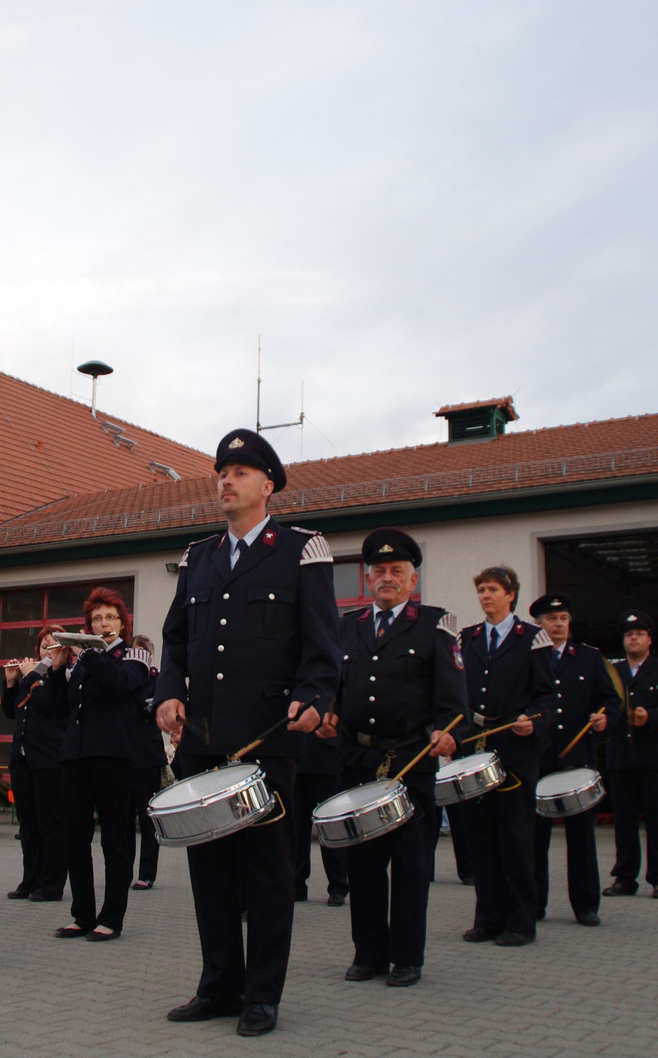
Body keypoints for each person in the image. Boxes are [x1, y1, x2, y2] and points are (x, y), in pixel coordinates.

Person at [154, 429, 341, 1038]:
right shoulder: (199, 556)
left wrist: (313, 698)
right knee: (209, 872)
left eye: (238, 472)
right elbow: (177, 637)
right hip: (204, 738)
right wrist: (169, 691)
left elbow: (322, 642)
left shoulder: (301, 550)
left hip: (267, 739)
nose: (225, 481)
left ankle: (262, 995)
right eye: (221, 472)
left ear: (267, 485)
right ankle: (218, 987)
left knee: (266, 874)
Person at [319, 528, 465, 988]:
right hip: (358, 762)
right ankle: (369, 955)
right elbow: (333, 689)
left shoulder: (436, 624)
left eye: (396, 571)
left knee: (410, 865)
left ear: (412, 577)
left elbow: (454, 699)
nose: (387, 578)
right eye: (379, 571)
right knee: (362, 864)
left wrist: (448, 732)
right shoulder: (348, 627)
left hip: (410, 762)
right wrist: (327, 711)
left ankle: (407, 958)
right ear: (368, 575)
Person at [456, 566, 554, 948]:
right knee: (480, 837)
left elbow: (547, 696)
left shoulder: (532, 638)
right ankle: (488, 918)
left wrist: (535, 721)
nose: (485, 596)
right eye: (481, 589)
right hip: (475, 747)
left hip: (515, 749)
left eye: (493, 589)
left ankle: (520, 922)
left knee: (514, 839)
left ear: (511, 594)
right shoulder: (467, 638)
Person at [54, 588, 150, 942]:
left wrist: (89, 654)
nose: (103, 623)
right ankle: (82, 914)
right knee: (75, 837)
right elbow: (61, 707)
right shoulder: (79, 663)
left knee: (115, 838)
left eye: (110, 617)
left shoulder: (133, 656)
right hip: (76, 756)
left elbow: (120, 683)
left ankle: (112, 917)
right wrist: (55, 667)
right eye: (97, 618)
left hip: (113, 756)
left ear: (122, 624)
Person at [529, 592, 619, 927]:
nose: (559, 624)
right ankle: (535, 903)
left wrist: (605, 717)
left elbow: (611, 700)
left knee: (581, 837)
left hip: (577, 760)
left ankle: (585, 906)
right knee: (535, 839)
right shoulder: (530, 656)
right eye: (552, 619)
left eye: (564, 618)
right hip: (538, 756)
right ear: (540, 624)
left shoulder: (589, 658)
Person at [603, 610, 658, 900]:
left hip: (655, 760)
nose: (633, 638)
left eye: (638, 634)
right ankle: (625, 878)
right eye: (628, 634)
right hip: (621, 759)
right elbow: (604, 707)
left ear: (650, 639)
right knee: (623, 822)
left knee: (657, 821)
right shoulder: (613, 671)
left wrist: (651, 716)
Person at [1, 626, 68, 901]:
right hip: (23, 757)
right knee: (27, 824)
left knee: (49, 823)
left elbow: (50, 707)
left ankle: (51, 884)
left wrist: (30, 677)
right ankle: (30, 880)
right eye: (44, 646)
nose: (47, 650)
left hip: (49, 759)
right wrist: (10, 683)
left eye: (53, 646)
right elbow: (10, 711)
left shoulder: (60, 677)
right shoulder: (31, 677)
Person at [292, 727, 349, 907]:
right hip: (296, 759)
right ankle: (296, 884)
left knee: (330, 827)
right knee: (297, 830)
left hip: (325, 758)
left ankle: (338, 886)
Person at [127, 634, 167, 892]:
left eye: (145, 650)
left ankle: (147, 873)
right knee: (122, 818)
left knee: (147, 817)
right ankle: (122, 869)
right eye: (137, 650)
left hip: (148, 756)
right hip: (123, 753)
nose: (142, 654)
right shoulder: (125, 677)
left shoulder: (158, 679)